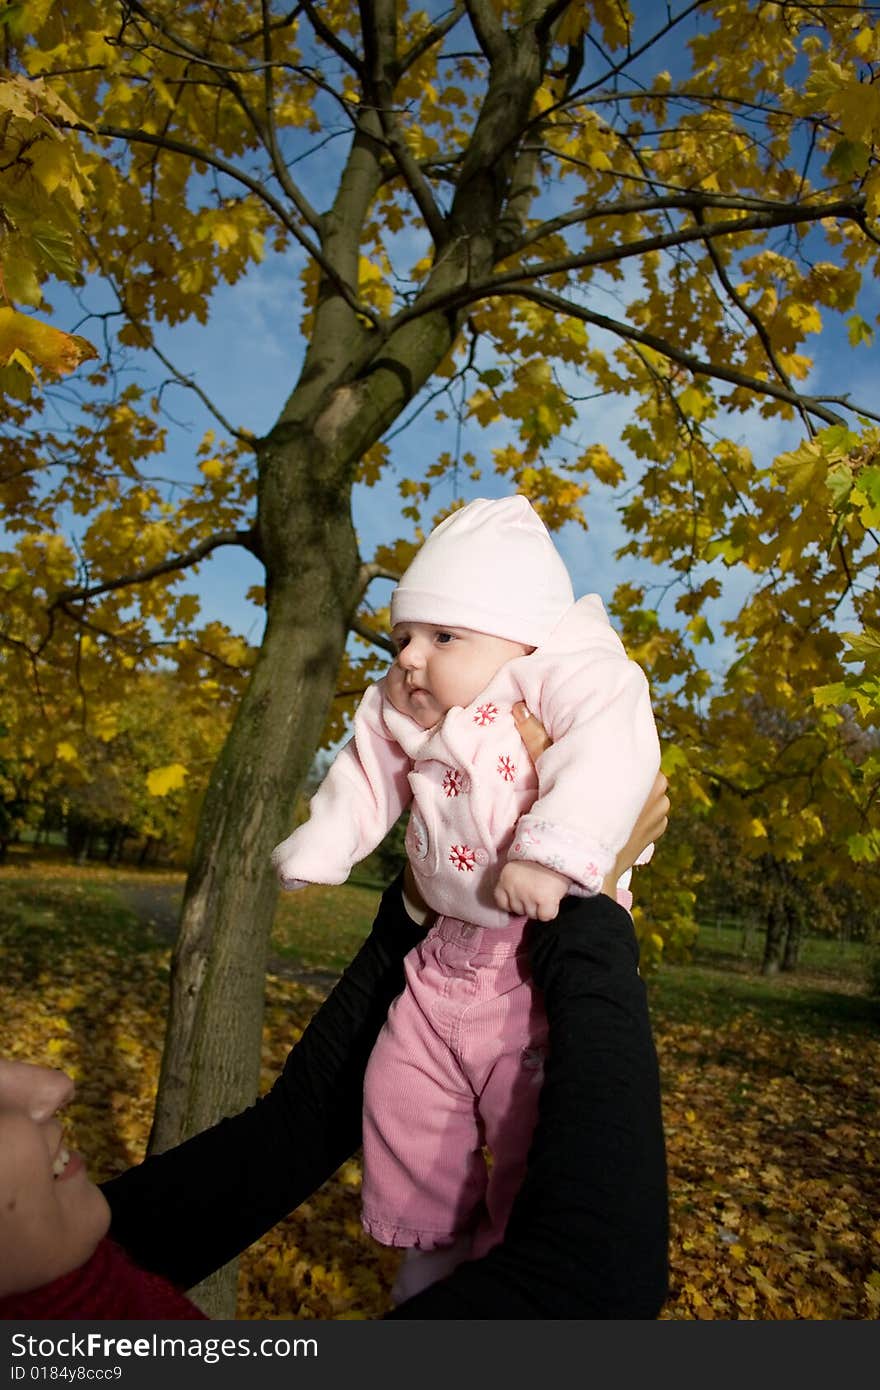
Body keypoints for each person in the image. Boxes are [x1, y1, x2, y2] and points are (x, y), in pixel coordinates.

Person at [0, 731, 669, 1319]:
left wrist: (425, 891)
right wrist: (588, 887)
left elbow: (301, 1125)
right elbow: (594, 1286)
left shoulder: (93, 1264)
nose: (49, 1085)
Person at [271, 496, 661, 1296]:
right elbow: (362, 773)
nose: (411, 657)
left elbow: (614, 754)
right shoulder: (402, 708)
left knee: (528, 1127)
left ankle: (503, 1257)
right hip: (442, 949)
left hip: (531, 966)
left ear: (520, 638)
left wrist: (551, 856)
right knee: (402, 1086)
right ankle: (432, 1244)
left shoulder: (564, 678)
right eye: (403, 637)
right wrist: (324, 844)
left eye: (443, 636)